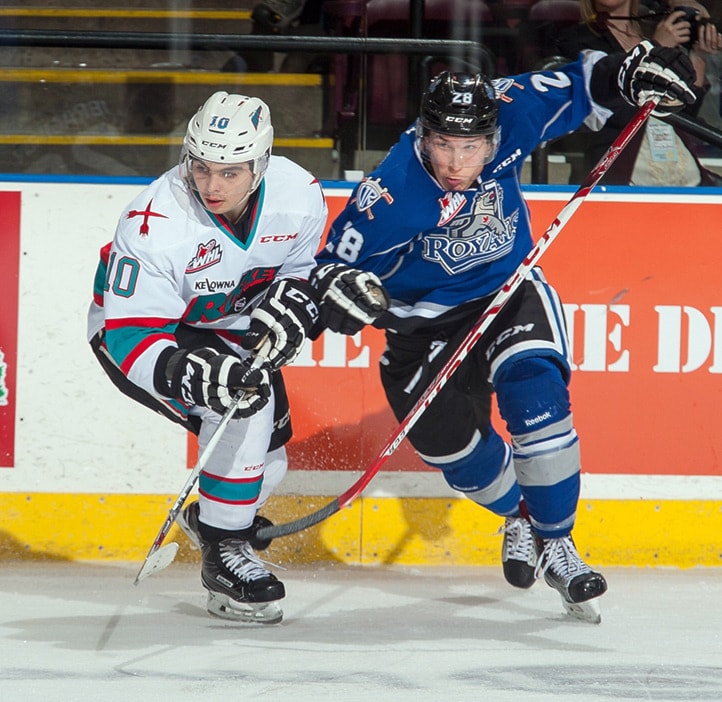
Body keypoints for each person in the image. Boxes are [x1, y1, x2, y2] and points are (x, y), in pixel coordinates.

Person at [309, 43, 697, 621]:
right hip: (420, 330)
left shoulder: (508, 110)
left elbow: (583, 82)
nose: (456, 162)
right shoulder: (391, 195)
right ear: (424, 136)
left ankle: (557, 542)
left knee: (536, 397)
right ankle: (520, 516)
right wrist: (337, 293)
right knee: (457, 456)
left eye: (471, 148)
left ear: (492, 138)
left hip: (506, 294)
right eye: (443, 144)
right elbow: (331, 270)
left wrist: (630, 73)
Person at [87, 91, 328, 624]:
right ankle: (224, 553)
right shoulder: (154, 221)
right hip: (151, 335)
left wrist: (295, 306)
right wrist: (184, 372)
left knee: (268, 460)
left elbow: (300, 274)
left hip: (231, 329)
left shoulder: (300, 194)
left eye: (231, 172)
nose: (212, 185)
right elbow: (127, 334)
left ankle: (214, 521)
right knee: (243, 402)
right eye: (201, 167)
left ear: (260, 166)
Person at [556, 0, 722, 185]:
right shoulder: (575, 39)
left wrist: (698, 56)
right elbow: (597, 106)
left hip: (678, 166)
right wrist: (656, 46)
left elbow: (684, 112)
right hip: (616, 169)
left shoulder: (657, 28)